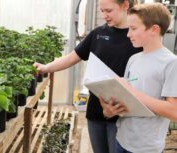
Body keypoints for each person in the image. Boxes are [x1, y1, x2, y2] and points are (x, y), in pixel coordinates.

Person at [34, 0, 141, 152]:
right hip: (96, 111)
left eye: (108, 11)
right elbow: (72, 57)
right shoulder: (98, 34)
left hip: (122, 114)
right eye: (102, 10)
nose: (104, 15)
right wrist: (46, 68)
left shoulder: (137, 37)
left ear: (125, 5)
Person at [99, 3, 177, 153]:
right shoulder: (133, 59)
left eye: (133, 28)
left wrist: (132, 92)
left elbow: (174, 111)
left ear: (154, 29)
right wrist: (109, 110)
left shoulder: (171, 63)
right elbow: (129, 98)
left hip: (146, 148)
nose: (128, 34)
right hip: (121, 139)